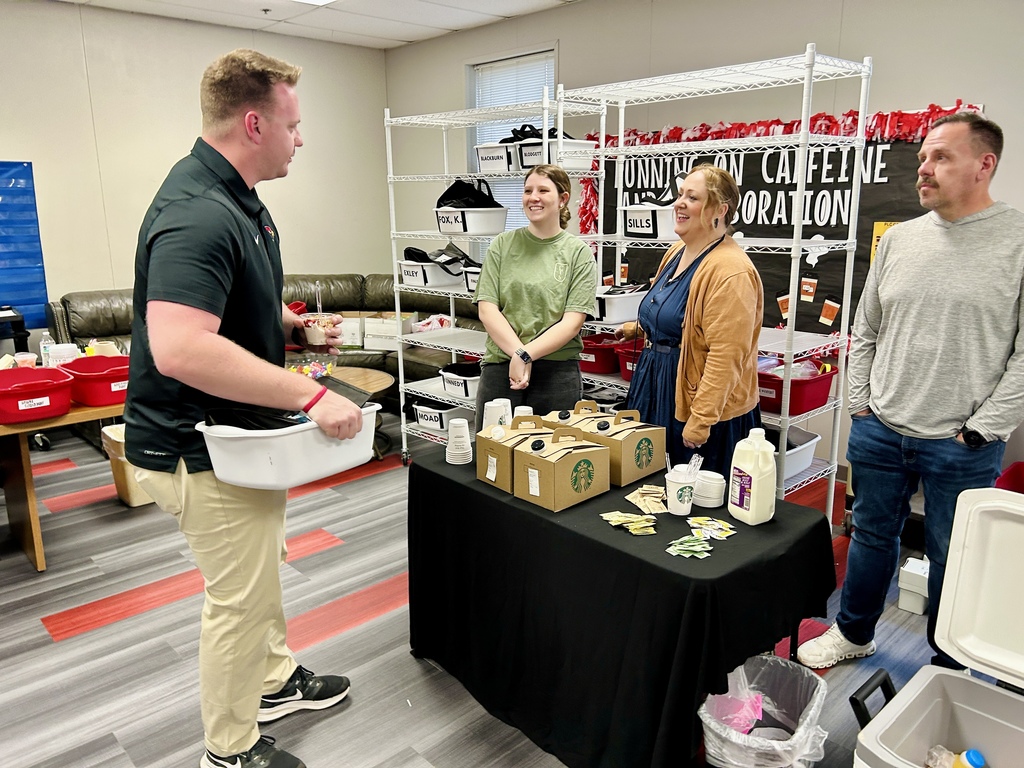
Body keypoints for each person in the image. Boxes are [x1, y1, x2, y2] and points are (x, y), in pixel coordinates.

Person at [124, 49, 364, 768]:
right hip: (199, 448)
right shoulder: (197, 212)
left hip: (237, 439)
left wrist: (288, 330)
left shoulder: (239, 199)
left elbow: (220, 313)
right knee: (237, 600)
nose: (302, 137)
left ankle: (274, 682)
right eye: (294, 124)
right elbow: (180, 348)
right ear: (254, 122)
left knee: (259, 571)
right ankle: (228, 750)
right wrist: (310, 391)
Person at [797, 112, 1024, 671]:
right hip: (881, 428)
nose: (924, 168)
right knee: (872, 537)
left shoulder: (1017, 241)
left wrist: (984, 427)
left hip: (962, 441)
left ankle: (949, 666)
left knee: (956, 556)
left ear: (984, 164)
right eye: (923, 157)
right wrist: (860, 406)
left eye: (941, 157)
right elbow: (867, 328)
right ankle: (853, 632)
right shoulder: (899, 239)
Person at [616, 164, 763, 474]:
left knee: (692, 501)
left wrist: (700, 421)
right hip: (655, 385)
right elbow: (676, 313)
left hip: (697, 404)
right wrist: (638, 329)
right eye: (680, 194)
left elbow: (726, 357)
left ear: (719, 210)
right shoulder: (676, 252)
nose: (679, 203)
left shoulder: (730, 271)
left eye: (692, 197)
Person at [472, 164, 597, 428]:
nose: (533, 197)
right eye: (528, 190)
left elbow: (572, 322)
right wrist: (518, 353)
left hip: (557, 371)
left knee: (552, 457)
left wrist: (526, 355)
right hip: (501, 366)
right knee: (494, 453)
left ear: (563, 199)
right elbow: (487, 309)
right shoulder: (502, 245)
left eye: (543, 190)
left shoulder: (578, 253)